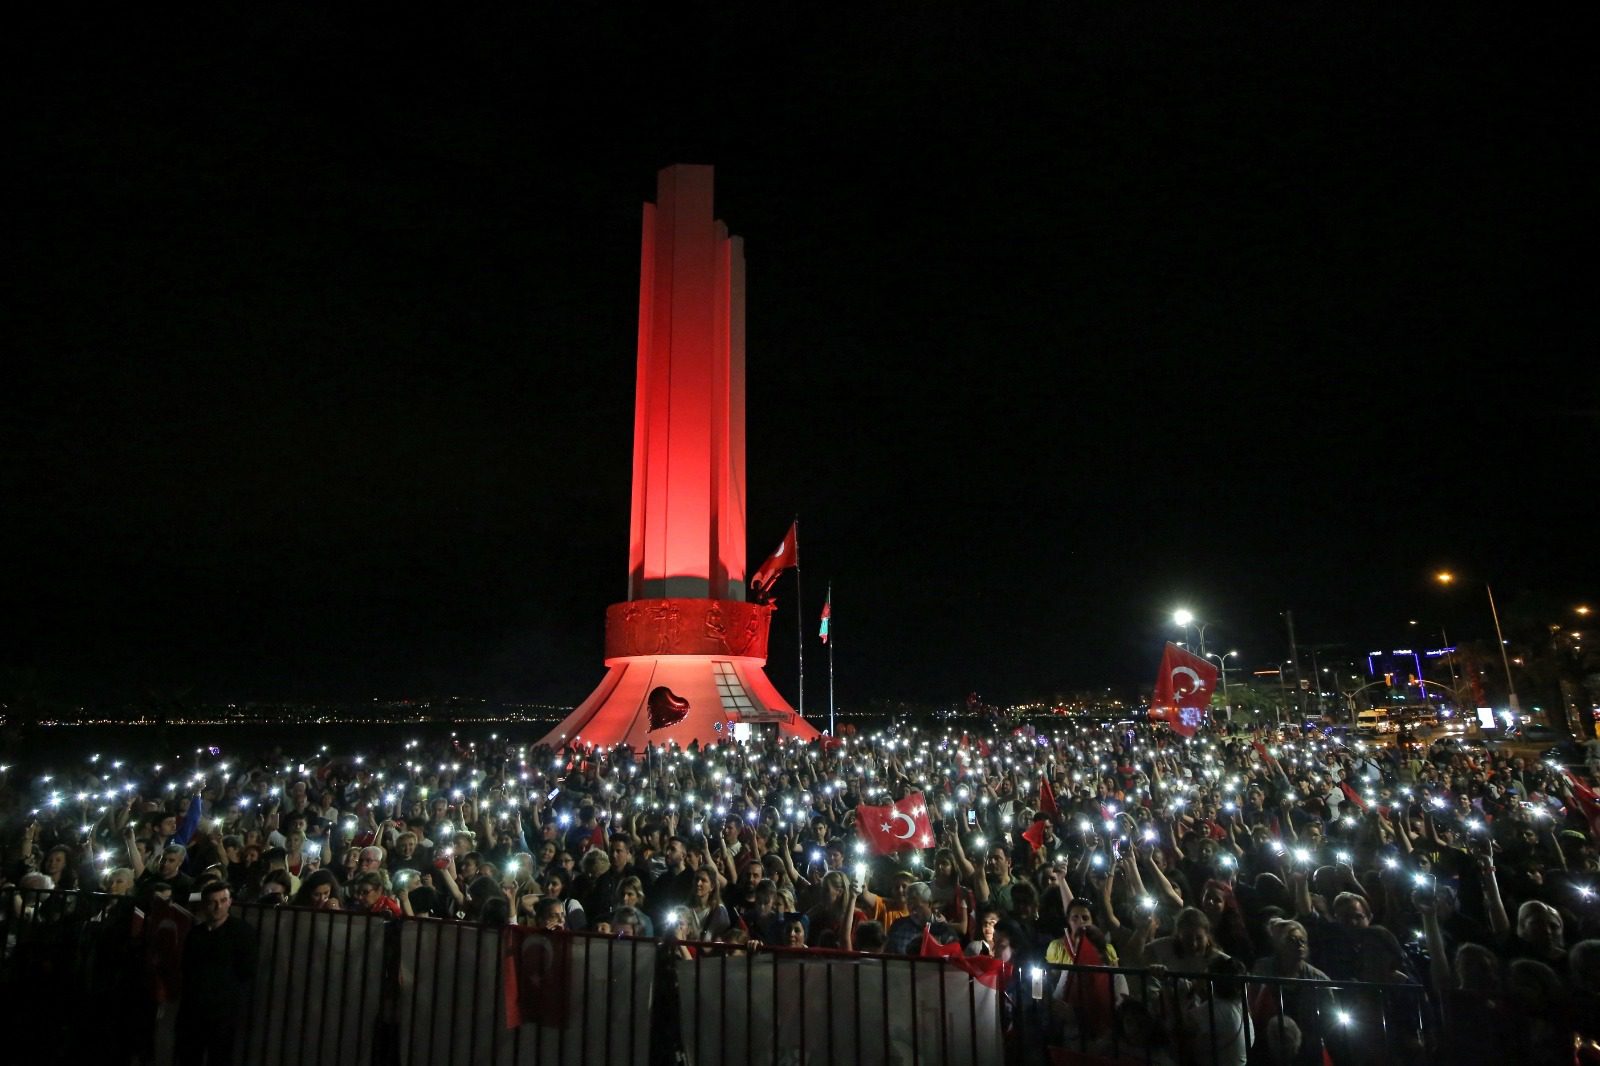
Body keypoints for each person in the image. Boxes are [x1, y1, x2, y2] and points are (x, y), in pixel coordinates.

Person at [176, 882, 256, 1066]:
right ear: (205, 904)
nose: (218, 906)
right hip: (194, 1010)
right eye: (213, 902)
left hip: (222, 1011)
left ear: (230, 902)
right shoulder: (196, 934)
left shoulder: (242, 933)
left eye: (223, 900)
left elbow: (247, 970)